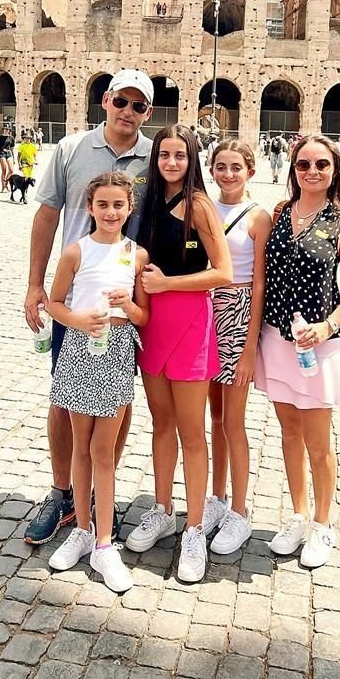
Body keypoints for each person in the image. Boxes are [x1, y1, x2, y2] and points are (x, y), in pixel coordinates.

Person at [24, 69, 154, 546]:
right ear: (105, 100)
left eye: (138, 106)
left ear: (147, 112)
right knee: (64, 399)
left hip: (123, 308)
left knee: (119, 401)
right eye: (121, 101)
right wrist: (35, 285)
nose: (128, 111)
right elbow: (46, 215)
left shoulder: (154, 155)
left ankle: (101, 489)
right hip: (76, 304)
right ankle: (62, 492)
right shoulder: (71, 148)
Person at [256, 135, 340, 568]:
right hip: (277, 338)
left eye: (322, 164)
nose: (312, 171)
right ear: (293, 169)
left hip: (317, 345)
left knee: (318, 443)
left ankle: (323, 524)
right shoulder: (280, 213)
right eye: (304, 164)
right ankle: (299, 515)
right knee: (288, 433)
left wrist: (328, 325)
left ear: (335, 170)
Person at [125, 125, 232, 583]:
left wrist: (168, 283)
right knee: (161, 424)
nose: (171, 162)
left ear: (191, 161)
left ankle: (194, 528)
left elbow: (223, 272)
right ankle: (163, 508)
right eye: (164, 154)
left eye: (180, 156)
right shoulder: (145, 200)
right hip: (152, 321)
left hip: (188, 321)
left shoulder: (200, 205)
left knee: (192, 431)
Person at [46, 172, 150, 592]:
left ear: (129, 208)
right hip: (80, 348)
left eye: (118, 205)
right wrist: (77, 320)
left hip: (117, 350)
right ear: (90, 208)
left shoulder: (136, 255)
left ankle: (105, 543)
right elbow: (54, 303)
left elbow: (144, 315)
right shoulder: (75, 251)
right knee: (81, 446)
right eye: (102, 205)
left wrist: (128, 305)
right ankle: (83, 530)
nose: (110, 212)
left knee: (103, 450)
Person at [205, 140, 272, 553]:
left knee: (233, 420)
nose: (228, 174)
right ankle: (217, 495)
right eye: (221, 166)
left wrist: (249, 348)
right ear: (211, 169)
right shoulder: (205, 207)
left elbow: (260, 282)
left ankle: (241, 509)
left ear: (250, 171)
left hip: (239, 309)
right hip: (205, 308)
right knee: (214, 415)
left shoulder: (258, 216)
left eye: (236, 167)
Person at [0, 125, 15, 191]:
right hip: (2, 153)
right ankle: (3, 185)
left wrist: (14, 158)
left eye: (7, 129)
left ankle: (6, 182)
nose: (6, 130)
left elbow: (12, 149)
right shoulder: (0, 137)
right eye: (5, 129)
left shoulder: (11, 138)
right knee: (4, 170)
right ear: (3, 130)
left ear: (9, 130)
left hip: (9, 153)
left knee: (11, 170)